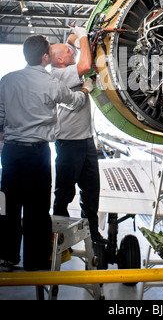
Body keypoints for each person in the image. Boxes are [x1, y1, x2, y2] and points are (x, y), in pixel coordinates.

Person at [0, 35, 94, 272]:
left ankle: (8, 257)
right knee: (37, 210)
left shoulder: (7, 80)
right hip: (37, 153)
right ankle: (35, 262)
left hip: (11, 153)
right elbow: (74, 102)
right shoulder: (51, 83)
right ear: (44, 57)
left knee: (9, 206)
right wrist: (85, 89)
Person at [50, 26, 105, 253]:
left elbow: (73, 46)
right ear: (60, 60)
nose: (74, 52)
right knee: (64, 194)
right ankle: (59, 238)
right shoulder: (58, 74)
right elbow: (85, 64)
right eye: (69, 52)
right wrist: (82, 36)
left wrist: (76, 37)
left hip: (86, 141)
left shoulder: (67, 65)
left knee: (91, 192)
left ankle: (92, 233)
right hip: (68, 143)